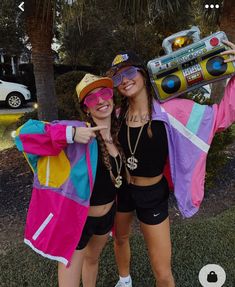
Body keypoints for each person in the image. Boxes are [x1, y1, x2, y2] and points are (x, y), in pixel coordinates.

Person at [106, 40, 235, 287]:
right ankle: (124, 280)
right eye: (117, 78)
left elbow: (221, 116)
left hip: (151, 194)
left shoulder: (173, 111)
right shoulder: (117, 116)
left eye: (130, 72)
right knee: (119, 238)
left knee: (162, 272)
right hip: (122, 189)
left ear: (143, 74)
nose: (124, 80)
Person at [14, 73, 128, 287]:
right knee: (70, 276)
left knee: (92, 260)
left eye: (104, 93)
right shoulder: (76, 130)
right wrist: (71, 134)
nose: (101, 100)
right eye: (92, 98)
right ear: (86, 108)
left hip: (107, 217)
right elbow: (23, 135)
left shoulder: (119, 131)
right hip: (78, 219)